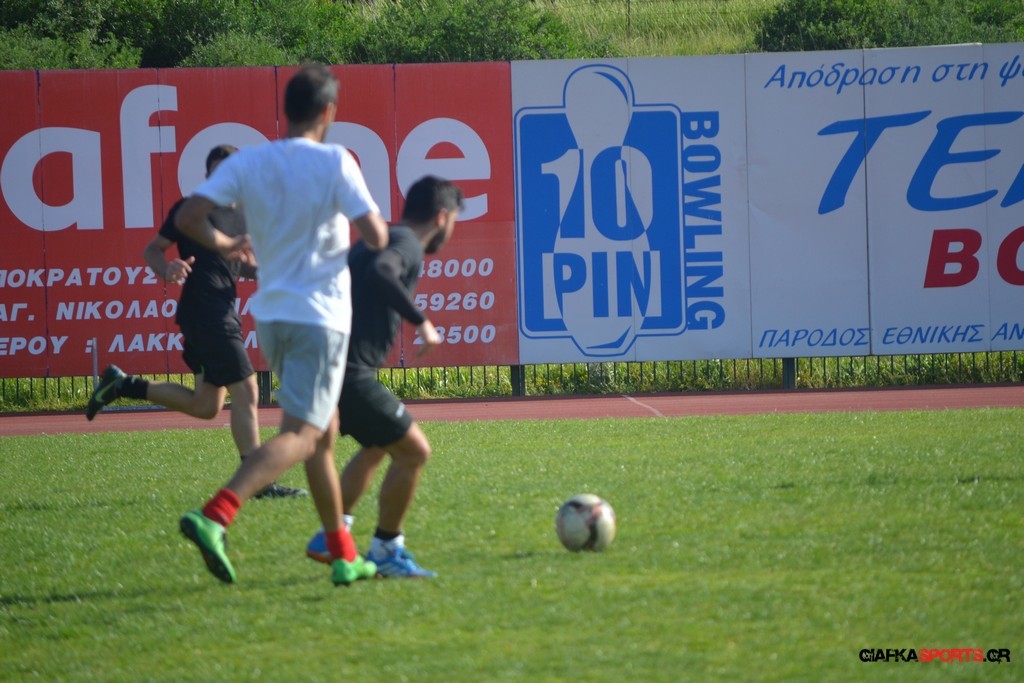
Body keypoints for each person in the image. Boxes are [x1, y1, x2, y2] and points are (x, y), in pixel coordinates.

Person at [173, 63, 389, 586]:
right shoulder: (335, 160)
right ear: (328, 112)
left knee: (323, 433)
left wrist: (225, 244)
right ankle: (215, 515)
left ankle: (343, 554)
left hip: (272, 315)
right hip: (319, 316)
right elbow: (376, 236)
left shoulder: (252, 162)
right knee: (301, 435)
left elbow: (187, 217)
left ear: (286, 110)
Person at [85, 144, 304, 500]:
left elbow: (234, 265)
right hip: (205, 312)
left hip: (220, 310)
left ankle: (121, 385)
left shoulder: (242, 215)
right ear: (207, 177)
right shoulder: (189, 211)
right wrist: (166, 268)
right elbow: (152, 250)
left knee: (206, 405)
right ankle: (258, 482)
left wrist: (264, 271)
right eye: (218, 173)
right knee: (247, 389)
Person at [305, 175, 463, 578]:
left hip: (329, 362)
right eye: (454, 220)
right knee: (414, 452)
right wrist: (421, 321)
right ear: (441, 217)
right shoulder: (406, 243)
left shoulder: (383, 237)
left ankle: (332, 535)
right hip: (351, 371)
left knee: (378, 445)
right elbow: (381, 272)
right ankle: (386, 550)